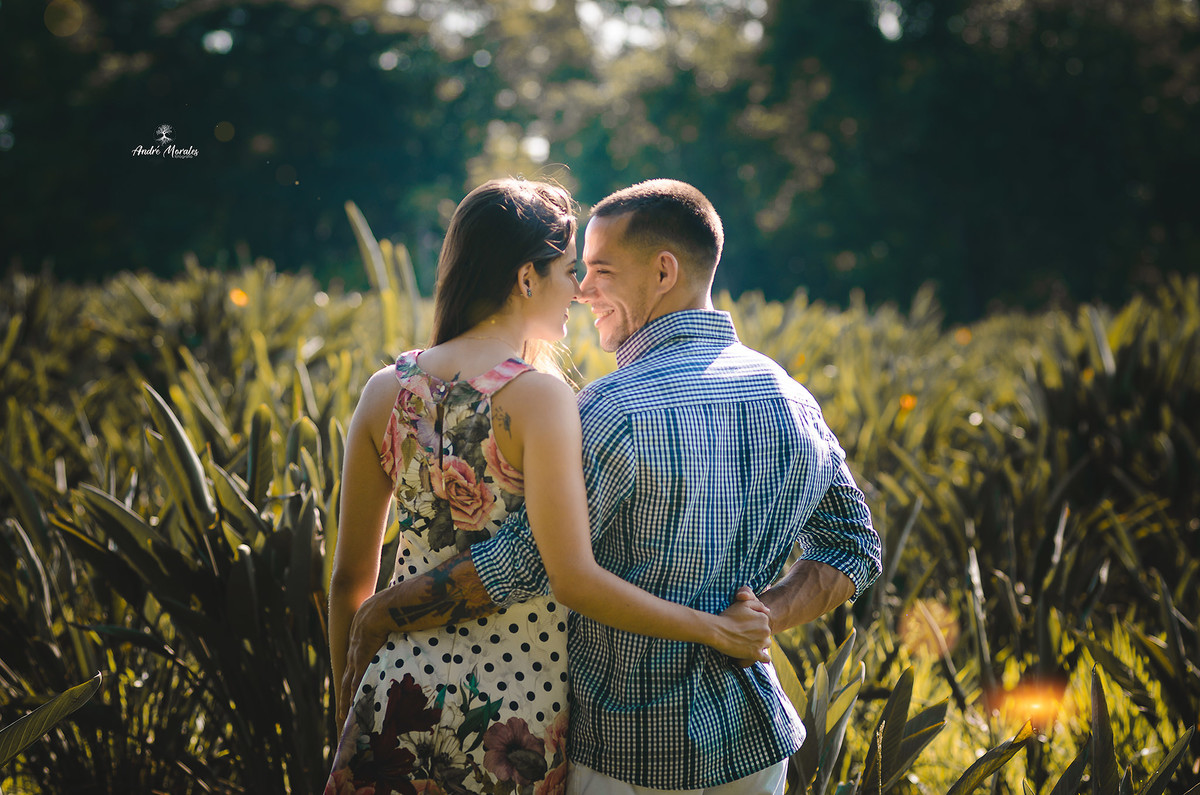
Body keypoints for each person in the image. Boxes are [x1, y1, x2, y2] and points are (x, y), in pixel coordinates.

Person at [339, 178, 882, 794]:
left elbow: (528, 564)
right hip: (752, 747)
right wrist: (760, 619)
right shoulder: (788, 395)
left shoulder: (610, 409)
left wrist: (382, 611)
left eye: (599, 270)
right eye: (577, 270)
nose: (583, 290)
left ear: (663, 272)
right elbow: (854, 548)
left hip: (630, 752)